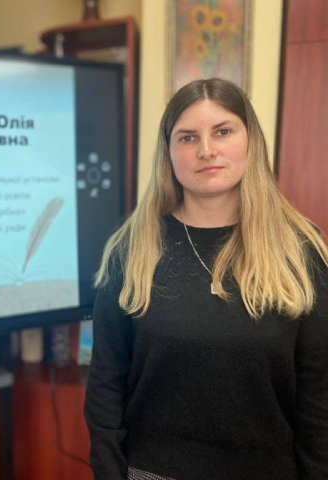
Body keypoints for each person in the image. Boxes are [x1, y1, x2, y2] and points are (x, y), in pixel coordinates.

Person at [84, 78, 328, 480]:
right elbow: (105, 385)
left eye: (223, 131)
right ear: (168, 153)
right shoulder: (131, 249)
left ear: (251, 141)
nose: (206, 150)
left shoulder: (299, 250)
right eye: (187, 137)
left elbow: (319, 392)